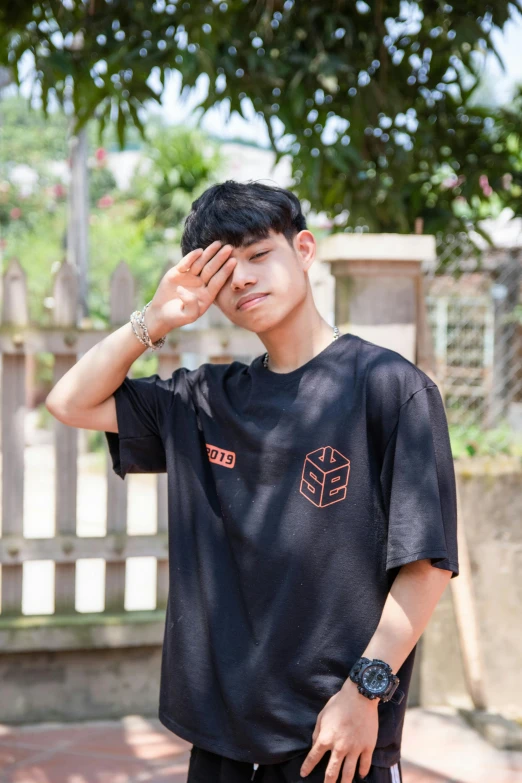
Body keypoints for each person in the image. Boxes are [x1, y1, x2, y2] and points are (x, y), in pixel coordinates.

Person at [46, 180, 459, 783]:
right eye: (221, 269)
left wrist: (364, 694)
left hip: (333, 735)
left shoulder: (389, 388)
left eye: (259, 254)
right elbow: (69, 401)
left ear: (305, 250)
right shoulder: (206, 400)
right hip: (220, 732)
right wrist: (154, 319)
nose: (241, 279)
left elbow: (426, 564)